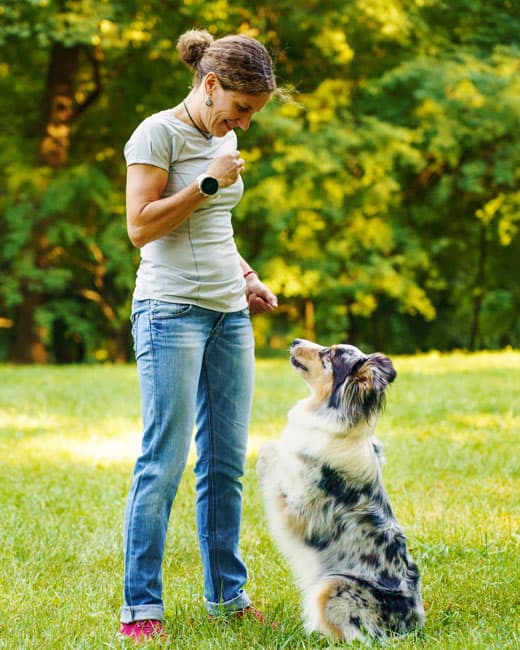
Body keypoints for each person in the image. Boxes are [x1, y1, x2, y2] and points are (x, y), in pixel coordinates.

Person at [118, 28, 279, 643]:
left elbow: (215, 227)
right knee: (163, 462)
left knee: (224, 462)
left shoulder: (223, 134)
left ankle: (226, 596)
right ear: (210, 85)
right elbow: (140, 227)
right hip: (169, 311)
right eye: (239, 108)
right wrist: (208, 179)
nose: (243, 122)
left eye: (251, 115)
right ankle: (141, 608)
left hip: (227, 314)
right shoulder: (155, 133)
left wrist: (246, 275)